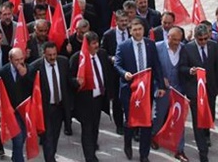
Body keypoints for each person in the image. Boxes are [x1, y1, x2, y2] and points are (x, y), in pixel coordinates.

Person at [115, 19, 165, 162]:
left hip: (147, 90)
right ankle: (128, 145)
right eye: (134, 29)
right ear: (130, 31)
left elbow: (157, 66)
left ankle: (144, 154)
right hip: (130, 90)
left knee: (146, 123)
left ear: (144, 30)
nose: (137, 32)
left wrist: (161, 86)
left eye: (139, 29)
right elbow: (117, 64)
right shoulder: (123, 46)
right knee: (130, 121)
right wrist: (124, 73)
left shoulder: (150, 44)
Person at [179, 23, 218, 162]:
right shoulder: (187, 48)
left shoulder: (214, 46)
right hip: (195, 90)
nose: (203, 41)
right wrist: (190, 71)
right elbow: (181, 68)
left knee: (208, 115)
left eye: (205, 38)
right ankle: (202, 150)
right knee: (198, 120)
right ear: (196, 38)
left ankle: (206, 135)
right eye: (201, 39)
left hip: (210, 90)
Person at [69, 32, 115, 162]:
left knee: (95, 126)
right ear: (86, 45)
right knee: (87, 128)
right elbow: (69, 79)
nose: (97, 46)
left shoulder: (102, 54)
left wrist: (110, 93)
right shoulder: (77, 58)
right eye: (93, 43)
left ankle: (93, 145)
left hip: (99, 99)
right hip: (84, 101)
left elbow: (107, 73)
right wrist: (76, 81)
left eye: (97, 42)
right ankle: (90, 157)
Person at [28, 42, 73, 162]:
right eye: (49, 55)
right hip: (45, 109)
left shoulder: (63, 62)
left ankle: (51, 156)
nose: (53, 57)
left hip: (60, 107)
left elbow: (68, 81)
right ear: (43, 54)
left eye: (54, 54)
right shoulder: (35, 67)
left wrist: (78, 82)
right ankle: (50, 159)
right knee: (48, 138)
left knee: (55, 136)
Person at [152, 26, 188, 162]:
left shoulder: (184, 48)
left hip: (178, 89)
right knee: (159, 116)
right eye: (174, 40)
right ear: (168, 37)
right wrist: (161, 81)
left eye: (179, 40)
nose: (176, 43)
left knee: (180, 120)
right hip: (163, 89)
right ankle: (154, 136)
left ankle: (179, 150)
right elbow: (153, 68)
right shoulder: (157, 47)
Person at [0, 47, 31, 162]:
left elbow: (33, 87)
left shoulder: (28, 68)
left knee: (23, 136)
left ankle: (15, 155)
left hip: (24, 109)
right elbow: (2, 91)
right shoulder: (3, 71)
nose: (19, 62)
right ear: (10, 59)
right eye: (16, 60)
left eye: (21, 59)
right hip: (11, 110)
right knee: (17, 138)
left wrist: (25, 76)